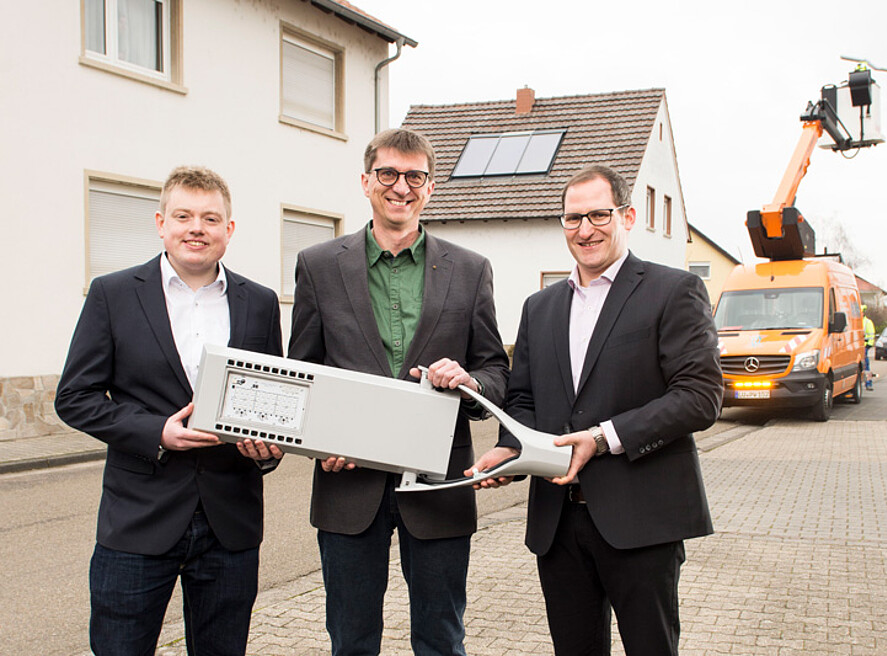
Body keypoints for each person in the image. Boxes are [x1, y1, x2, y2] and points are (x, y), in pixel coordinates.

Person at [471, 165, 723, 655]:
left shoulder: (673, 291)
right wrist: (510, 451)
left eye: (598, 215)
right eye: (572, 219)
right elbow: (523, 399)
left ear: (627, 216)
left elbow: (699, 395)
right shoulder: (539, 307)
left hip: (642, 520)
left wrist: (603, 437)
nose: (585, 230)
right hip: (558, 524)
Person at [288, 128, 510, 656]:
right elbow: (301, 375)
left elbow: (497, 372)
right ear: (366, 182)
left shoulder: (471, 270)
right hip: (348, 489)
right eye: (388, 173)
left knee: (440, 638)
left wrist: (471, 382)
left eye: (414, 176)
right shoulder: (318, 266)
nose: (401, 187)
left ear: (430, 188)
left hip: (439, 483)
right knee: (351, 640)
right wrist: (322, 442)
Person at [55, 166, 284, 655]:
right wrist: (156, 432)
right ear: (162, 222)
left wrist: (268, 451)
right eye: (183, 216)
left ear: (230, 229)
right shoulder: (113, 294)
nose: (196, 228)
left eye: (210, 218)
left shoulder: (260, 303)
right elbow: (75, 397)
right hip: (138, 518)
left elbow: (272, 405)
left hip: (231, 521)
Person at [862, 305, 876, 390]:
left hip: (864, 347)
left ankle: (868, 383)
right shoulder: (854, 321)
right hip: (854, 347)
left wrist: (867, 346)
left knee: (866, 366)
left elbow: (871, 335)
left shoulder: (867, 322)